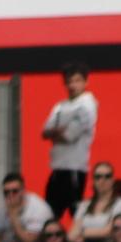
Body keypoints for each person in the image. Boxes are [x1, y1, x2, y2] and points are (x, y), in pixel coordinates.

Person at [41, 63, 97, 219]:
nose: (73, 85)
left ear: (86, 82)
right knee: (50, 216)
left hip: (74, 169)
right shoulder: (60, 106)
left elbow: (69, 136)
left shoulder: (88, 105)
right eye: (69, 81)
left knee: (77, 217)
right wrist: (58, 131)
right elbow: (44, 132)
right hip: (57, 168)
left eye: (77, 80)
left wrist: (57, 131)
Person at [67, 162, 121, 242]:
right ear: (93, 180)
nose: (102, 180)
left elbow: (109, 231)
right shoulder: (84, 205)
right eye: (98, 177)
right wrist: (76, 238)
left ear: (113, 179)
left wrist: (82, 233)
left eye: (107, 176)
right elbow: (72, 232)